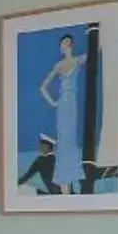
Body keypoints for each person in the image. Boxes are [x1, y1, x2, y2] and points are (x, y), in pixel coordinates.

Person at [38, 32, 89, 193]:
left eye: (69, 42)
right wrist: (53, 102)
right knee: (64, 141)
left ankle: (72, 181)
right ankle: (64, 185)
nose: (68, 44)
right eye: (64, 43)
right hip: (62, 105)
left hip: (72, 104)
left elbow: (96, 51)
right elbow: (42, 87)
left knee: (71, 141)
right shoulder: (58, 65)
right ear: (60, 47)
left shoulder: (78, 60)